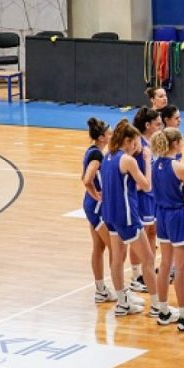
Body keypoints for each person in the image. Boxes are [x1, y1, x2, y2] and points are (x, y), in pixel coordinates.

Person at [100, 120, 155, 317]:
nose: (136, 146)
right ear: (127, 141)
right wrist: (147, 160)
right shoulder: (128, 161)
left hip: (110, 214)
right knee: (148, 259)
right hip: (127, 216)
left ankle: (122, 301)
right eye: (135, 142)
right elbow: (147, 185)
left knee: (117, 258)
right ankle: (158, 306)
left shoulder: (108, 156)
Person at [151, 128, 184, 331]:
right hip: (178, 216)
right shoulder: (180, 167)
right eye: (182, 141)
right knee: (181, 266)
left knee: (165, 264)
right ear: (175, 143)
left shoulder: (155, 164)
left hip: (161, 215)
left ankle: (163, 311)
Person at [81, 117, 116, 304]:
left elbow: (83, 177)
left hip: (90, 206)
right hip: (96, 208)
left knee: (99, 247)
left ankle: (100, 289)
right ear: (102, 137)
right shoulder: (97, 155)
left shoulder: (91, 151)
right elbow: (87, 180)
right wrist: (97, 196)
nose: (112, 135)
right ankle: (120, 291)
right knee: (115, 248)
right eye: (109, 133)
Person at [131, 107, 163, 289]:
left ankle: (148, 268)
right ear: (147, 125)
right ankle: (136, 275)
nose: (160, 127)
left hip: (154, 196)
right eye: (157, 124)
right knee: (139, 236)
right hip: (141, 196)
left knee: (152, 232)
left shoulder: (154, 142)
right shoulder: (138, 146)